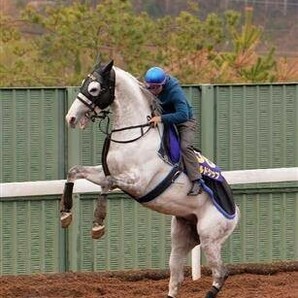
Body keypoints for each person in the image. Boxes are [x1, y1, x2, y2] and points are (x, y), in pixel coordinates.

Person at [144, 66, 203, 196]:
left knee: (184, 146)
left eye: (156, 87)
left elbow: (183, 115)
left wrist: (160, 118)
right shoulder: (149, 89)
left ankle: (197, 181)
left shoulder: (174, 91)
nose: (153, 91)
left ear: (163, 84)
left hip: (184, 122)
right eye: (150, 87)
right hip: (165, 119)